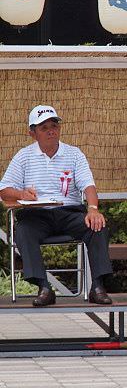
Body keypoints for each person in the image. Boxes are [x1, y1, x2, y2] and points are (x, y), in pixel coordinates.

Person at [0, 105, 113, 307]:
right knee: (24, 230)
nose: (51, 130)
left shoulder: (74, 154)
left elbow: (89, 186)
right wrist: (21, 194)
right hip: (37, 214)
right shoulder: (24, 156)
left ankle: (98, 286)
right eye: (44, 128)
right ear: (32, 133)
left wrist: (93, 209)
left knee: (98, 225)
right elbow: (4, 190)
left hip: (69, 212)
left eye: (54, 126)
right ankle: (44, 287)